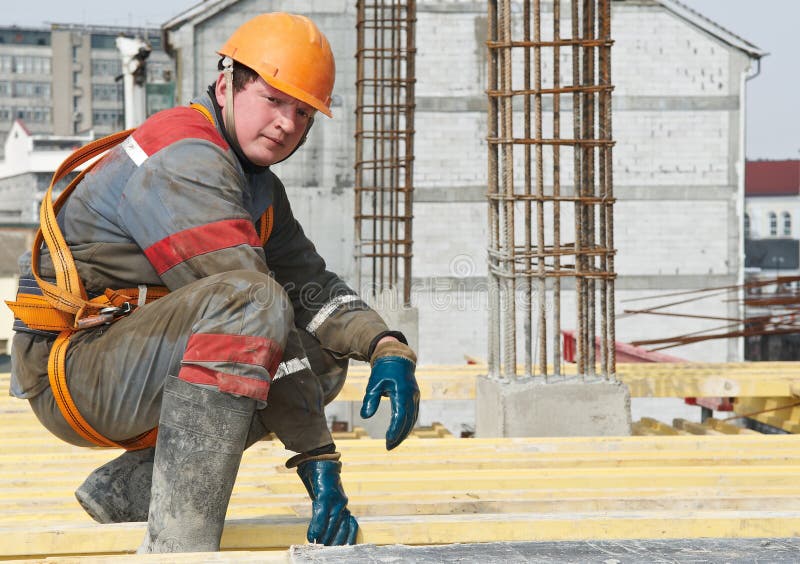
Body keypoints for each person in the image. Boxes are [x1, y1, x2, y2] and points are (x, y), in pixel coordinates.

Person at [6, 12, 419, 553]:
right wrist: (318, 458)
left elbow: (310, 288)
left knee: (321, 353)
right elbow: (252, 305)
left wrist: (386, 347)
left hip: (135, 357)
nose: (287, 123)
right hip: (76, 371)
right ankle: (180, 542)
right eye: (273, 100)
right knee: (253, 303)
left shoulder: (256, 186)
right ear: (226, 84)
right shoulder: (185, 160)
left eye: (302, 112)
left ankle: (132, 489)